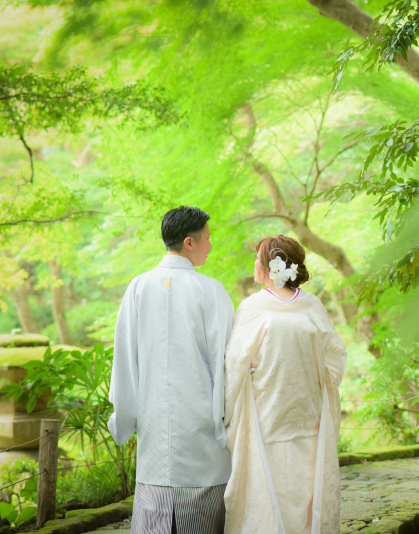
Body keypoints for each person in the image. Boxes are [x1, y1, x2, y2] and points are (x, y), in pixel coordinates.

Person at [108, 206, 234, 534]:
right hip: (202, 431)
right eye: (207, 238)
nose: (211, 244)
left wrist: (124, 418)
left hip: (154, 433)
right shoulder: (210, 290)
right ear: (189, 243)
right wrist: (226, 424)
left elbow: (124, 360)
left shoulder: (138, 287)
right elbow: (226, 364)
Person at [223, 235, 347, 534]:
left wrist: (227, 410)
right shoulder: (310, 305)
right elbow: (335, 357)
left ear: (270, 266)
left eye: (258, 259)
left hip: (276, 412)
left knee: (280, 488)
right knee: (299, 489)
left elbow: (236, 363)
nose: (254, 264)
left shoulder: (254, 306)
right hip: (300, 412)